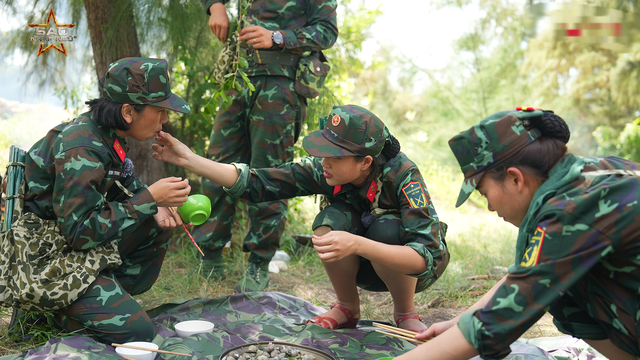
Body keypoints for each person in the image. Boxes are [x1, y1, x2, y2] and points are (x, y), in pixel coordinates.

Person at [152, 104, 449, 332]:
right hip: (364, 261)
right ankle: (347, 308)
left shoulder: (403, 177)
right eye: (324, 153)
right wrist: (187, 159)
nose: (324, 162)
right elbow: (258, 182)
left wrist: (358, 244)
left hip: (409, 271)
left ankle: (406, 313)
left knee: (386, 228)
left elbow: (426, 257)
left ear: (366, 162)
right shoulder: (328, 171)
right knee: (329, 222)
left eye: (334, 156)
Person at [397, 108, 640, 360]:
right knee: (561, 290)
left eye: (483, 193)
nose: (490, 206)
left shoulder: (569, 210)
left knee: (555, 292)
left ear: (515, 179)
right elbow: (525, 276)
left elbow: (505, 316)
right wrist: (458, 323)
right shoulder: (591, 173)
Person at [1, 57, 192, 343]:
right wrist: (149, 198)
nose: (165, 119)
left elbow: (124, 186)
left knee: (156, 223)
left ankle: (96, 302)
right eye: (159, 111)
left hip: (67, 246)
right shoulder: (82, 147)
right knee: (139, 333)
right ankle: (51, 311)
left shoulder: (107, 135)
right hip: (44, 258)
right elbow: (78, 233)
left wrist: (154, 202)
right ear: (128, 111)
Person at [198, 0, 339, 292]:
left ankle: (258, 262)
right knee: (217, 163)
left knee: (270, 173)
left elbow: (326, 31)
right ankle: (211, 254)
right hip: (237, 79)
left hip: (281, 83)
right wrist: (215, 6)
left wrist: (277, 38)